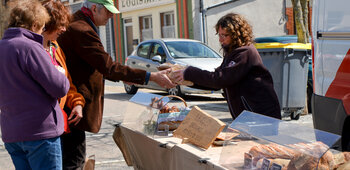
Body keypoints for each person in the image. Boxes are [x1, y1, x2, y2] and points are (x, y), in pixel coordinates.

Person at [57, 0, 175, 168]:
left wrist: (123, 76)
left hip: (71, 103)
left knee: (71, 158)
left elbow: (96, 64)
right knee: (73, 160)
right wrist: (152, 76)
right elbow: (108, 66)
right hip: (74, 105)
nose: (111, 16)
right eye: (108, 12)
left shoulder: (80, 23)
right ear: (94, 8)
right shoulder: (82, 29)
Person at [0, 0, 70, 169]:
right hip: (40, 132)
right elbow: (60, 87)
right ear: (34, 24)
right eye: (42, 27)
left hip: (12, 132)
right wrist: (60, 73)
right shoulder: (30, 47)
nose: (42, 31)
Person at [173, 13, 281, 120]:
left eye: (224, 35)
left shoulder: (245, 53)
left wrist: (189, 72)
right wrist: (186, 79)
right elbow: (215, 83)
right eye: (219, 35)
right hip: (249, 117)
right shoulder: (232, 53)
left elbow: (220, 79)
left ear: (237, 34)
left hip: (261, 116)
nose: (220, 39)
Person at [41, 0, 85, 133]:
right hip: (40, 126)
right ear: (48, 22)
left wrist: (77, 102)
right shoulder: (30, 49)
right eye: (61, 24)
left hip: (57, 123)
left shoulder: (55, 47)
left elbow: (66, 82)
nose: (64, 29)